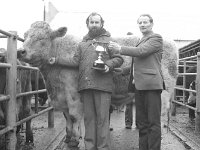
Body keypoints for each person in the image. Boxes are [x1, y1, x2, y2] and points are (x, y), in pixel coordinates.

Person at [49, 12, 123, 150]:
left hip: (103, 86)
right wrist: (57, 60)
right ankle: (90, 147)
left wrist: (108, 65)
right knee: (89, 120)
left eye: (97, 22)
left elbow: (119, 59)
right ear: (87, 24)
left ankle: (103, 147)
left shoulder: (109, 41)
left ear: (102, 24)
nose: (94, 25)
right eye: (92, 22)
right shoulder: (82, 44)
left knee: (102, 120)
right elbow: (75, 61)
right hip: (86, 86)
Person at [108, 14, 164, 150]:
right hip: (139, 86)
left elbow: (141, 52)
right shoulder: (141, 39)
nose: (143, 25)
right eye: (140, 22)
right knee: (142, 123)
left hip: (151, 85)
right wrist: (123, 71)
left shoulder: (156, 38)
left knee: (153, 123)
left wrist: (120, 49)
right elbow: (139, 63)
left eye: (145, 22)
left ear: (152, 24)